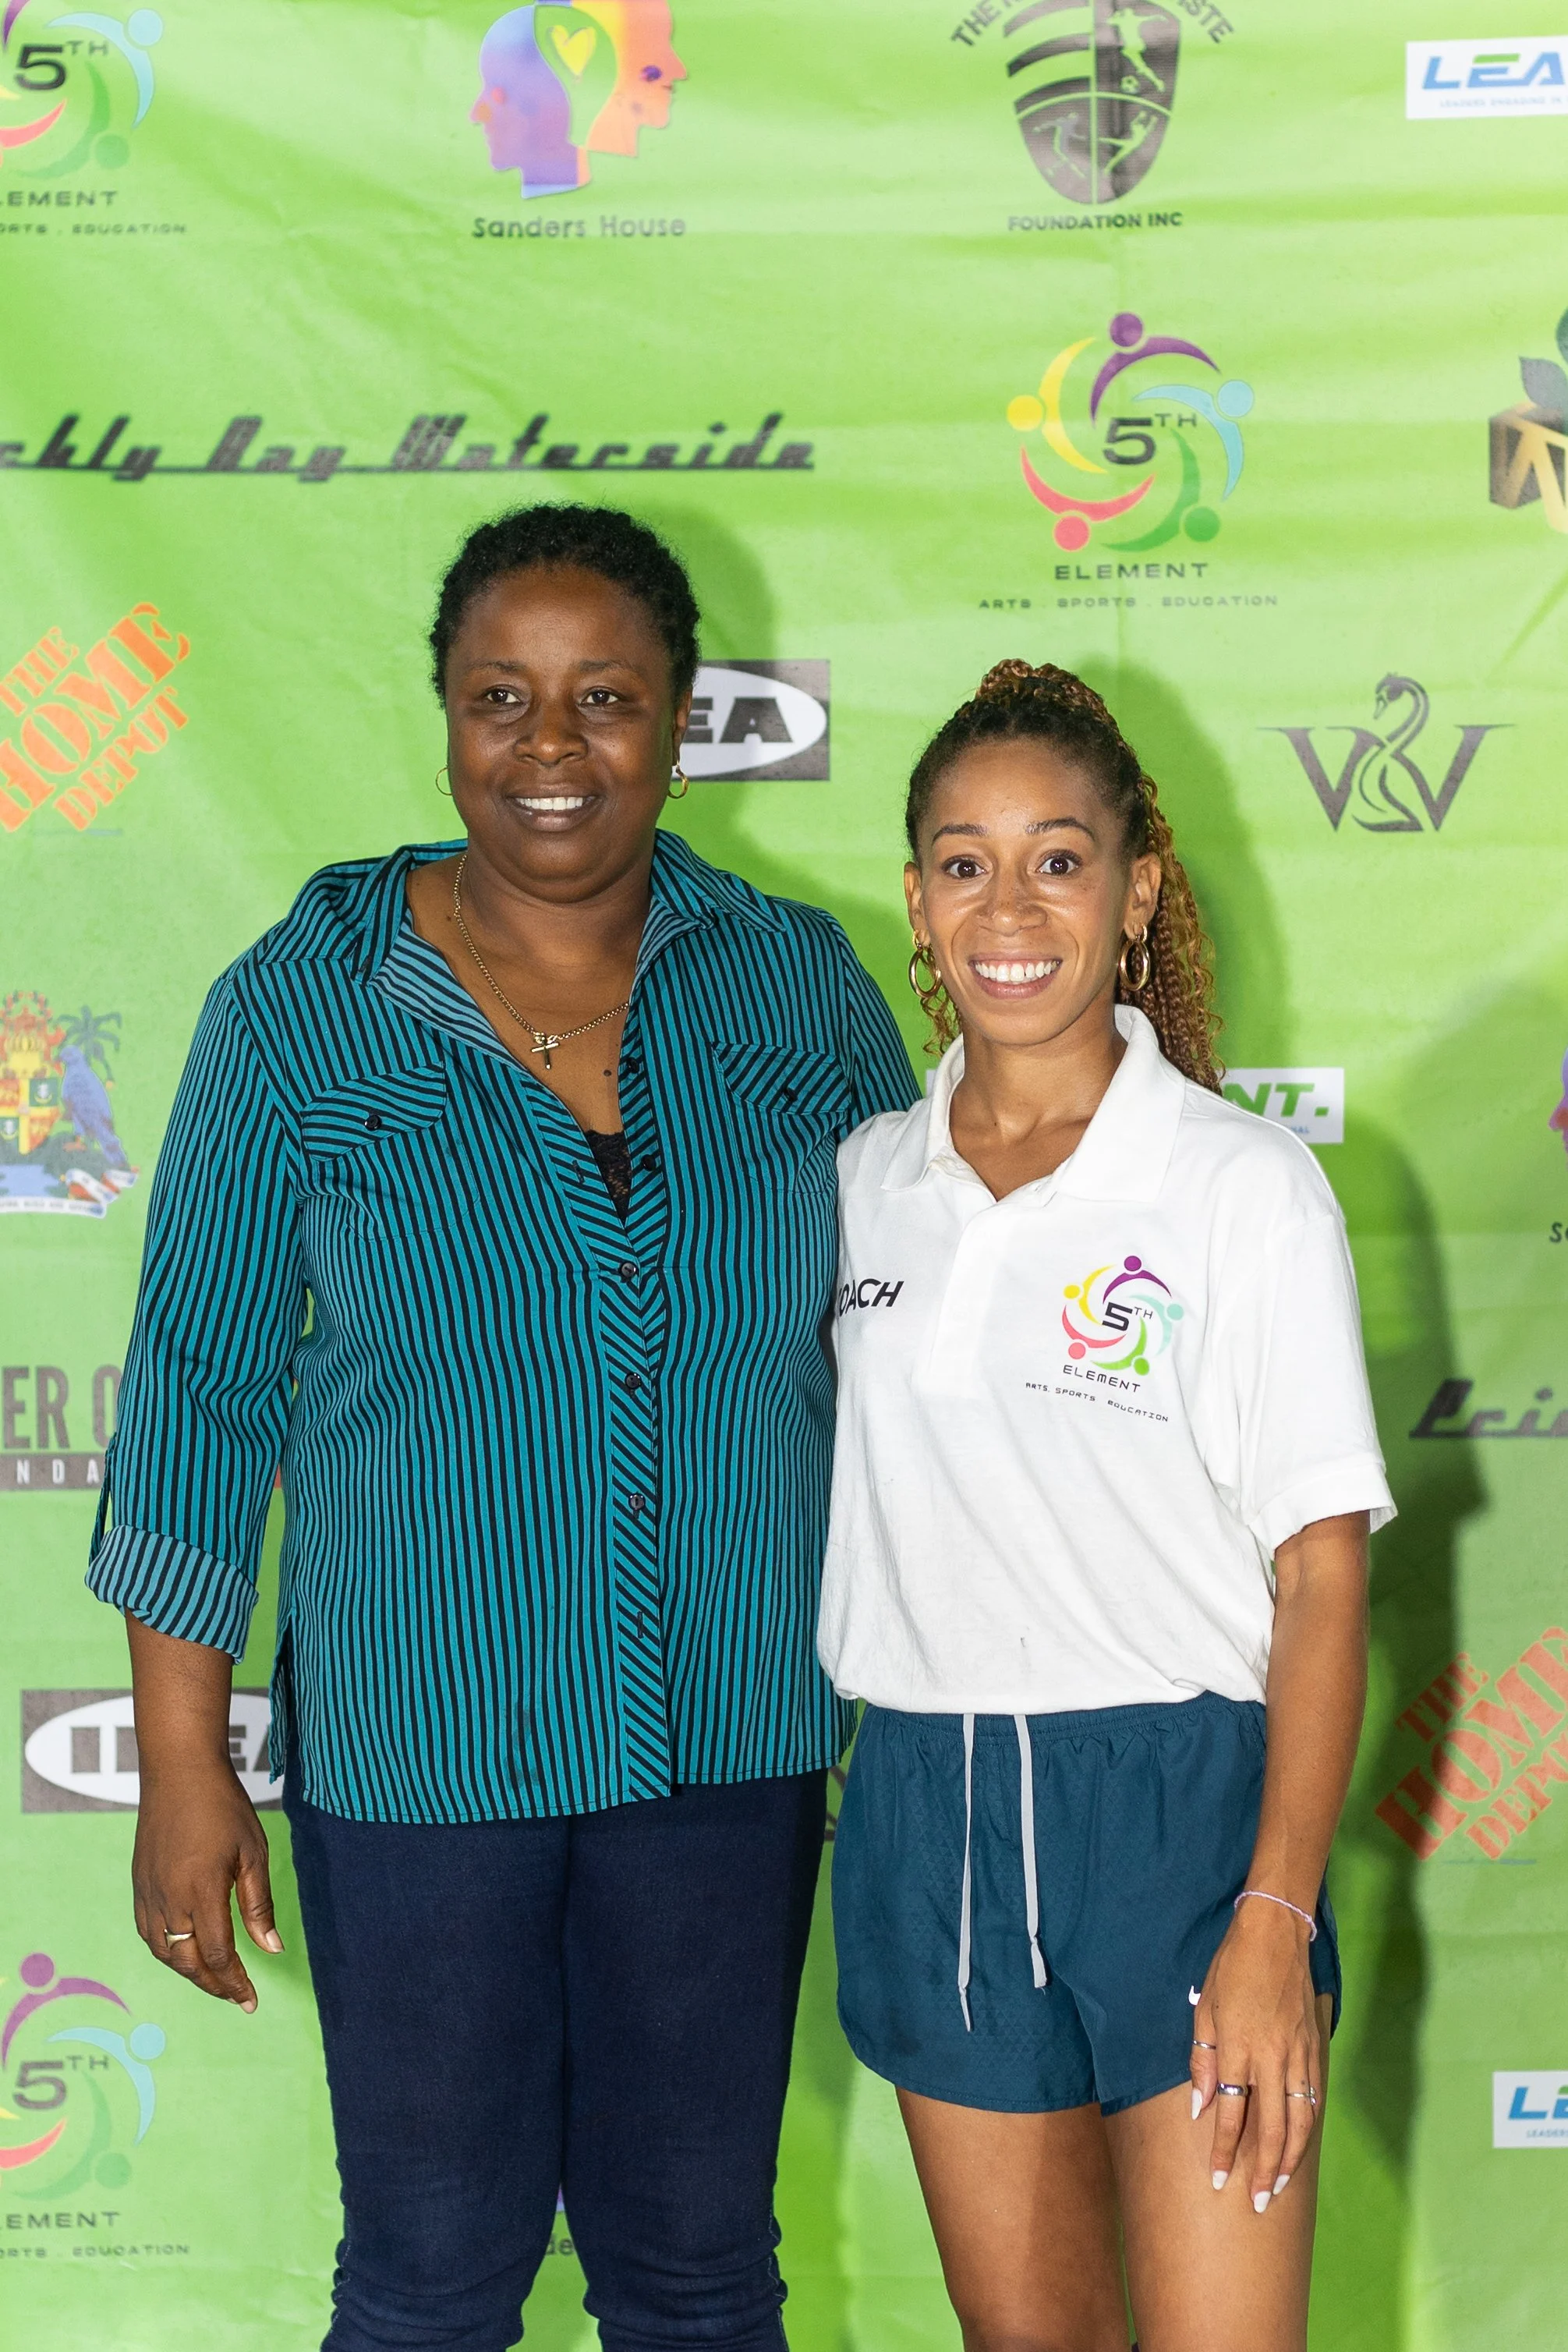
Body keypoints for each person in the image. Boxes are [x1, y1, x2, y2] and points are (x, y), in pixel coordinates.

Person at [88, 504, 918, 2352]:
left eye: (605, 698)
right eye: (502, 698)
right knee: (432, 2273)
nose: (551, 747)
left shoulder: (797, 989)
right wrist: (179, 1760)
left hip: (728, 1729)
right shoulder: (299, 1006)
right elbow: (204, 1392)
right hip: (422, 1752)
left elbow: (927, 1336)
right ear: (447, 716)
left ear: (685, 718)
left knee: (699, 2266)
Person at [817, 661, 1393, 2352]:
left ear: (1136, 890)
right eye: (964, 859)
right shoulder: (860, 1184)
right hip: (928, 1808)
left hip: (1187, 1817)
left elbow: (1325, 1579)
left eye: (1059, 859)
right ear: (918, 897)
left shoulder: (1240, 1187)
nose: (1012, 906)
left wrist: (1275, 1917)